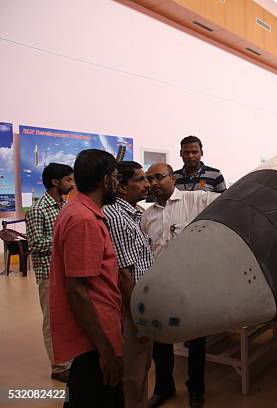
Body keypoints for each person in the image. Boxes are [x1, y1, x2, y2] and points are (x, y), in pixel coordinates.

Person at [49, 149, 123, 407]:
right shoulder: (83, 220)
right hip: (93, 341)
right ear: (105, 180)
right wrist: (105, 350)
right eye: (116, 176)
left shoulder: (79, 211)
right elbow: (77, 290)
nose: (118, 183)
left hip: (96, 335)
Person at [142, 163, 218, 408]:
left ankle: (196, 389)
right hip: (160, 287)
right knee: (160, 338)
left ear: (173, 179)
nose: (153, 183)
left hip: (190, 285)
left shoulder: (194, 200)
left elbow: (228, 201)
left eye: (159, 177)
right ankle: (164, 387)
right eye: (149, 178)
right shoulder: (147, 215)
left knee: (195, 340)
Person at [103, 161, 154, 408]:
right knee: (132, 372)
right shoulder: (116, 217)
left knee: (142, 366)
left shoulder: (135, 214)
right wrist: (139, 317)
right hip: (132, 306)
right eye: (141, 180)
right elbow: (124, 273)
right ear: (122, 187)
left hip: (141, 300)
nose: (148, 185)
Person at [26, 163, 75, 383]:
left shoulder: (64, 205)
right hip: (48, 273)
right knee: (52, 320)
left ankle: (70, 359)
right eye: (69, 180)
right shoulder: (38, 209)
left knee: (68, 319)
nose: (72, 184)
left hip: (65, 271)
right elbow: (35, 244)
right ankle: (58, 366)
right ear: (56, 182)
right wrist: (63, 239)